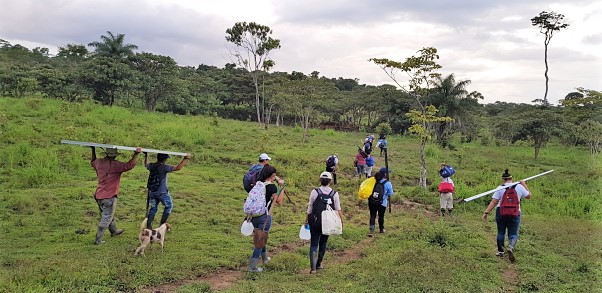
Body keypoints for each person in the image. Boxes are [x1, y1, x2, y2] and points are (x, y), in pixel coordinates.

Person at [90, 146, 141, 245]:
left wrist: (93, 149)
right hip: (109, 196)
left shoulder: (99, 162)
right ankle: (98, 240)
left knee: (108, 214)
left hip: (99, 195)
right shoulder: (116, 165)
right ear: (114, 156)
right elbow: (130, 165)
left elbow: (93, 161)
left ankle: (113, 231)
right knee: (107, 217)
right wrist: (136, 154)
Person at [482, 169, 531, 262]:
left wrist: (486, 212)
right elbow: (529, 196)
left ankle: (500, 251)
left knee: (501, 232)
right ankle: (511, 247)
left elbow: (494, 201)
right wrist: (524, 184)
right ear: (511, 179)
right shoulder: (519, 187)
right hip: (515, 213)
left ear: (503, 179)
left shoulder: (500, 187)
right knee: (513, 233)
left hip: (501, 212)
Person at [248, 164, 285, 272]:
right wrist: (282, 187)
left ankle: (265, 259)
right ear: (272, 175)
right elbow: (279, 201)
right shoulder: (272, 187)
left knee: (261, 237)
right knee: (260, 241)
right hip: (264, 217)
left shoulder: (258, 184)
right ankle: (253, 267)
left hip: (254, 216)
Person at [305, 171, 343, 274]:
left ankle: (313, 268)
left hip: (315, 221)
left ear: (320, 180)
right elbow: (338, 209)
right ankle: (319, 264)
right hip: (328, 223)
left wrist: (306, 220)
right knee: (323, 242)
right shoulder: (334, 194)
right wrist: (341, 221)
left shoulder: (315, 192)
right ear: (330, 181)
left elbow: (310, 207)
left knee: (314, 243)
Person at [144, 152, 190, 229]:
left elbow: (146, 164)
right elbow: (178, 168)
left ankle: (149, 227)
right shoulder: (164, 167)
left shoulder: (152, 166)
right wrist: (186, 159)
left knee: (153, 209)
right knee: (169, 206)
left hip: (152, 192)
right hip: (162, 192)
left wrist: (146, 155)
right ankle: (162, 225)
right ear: (164, 159)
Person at [368, 168, 394, 237]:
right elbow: (391, 193)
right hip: (382, 203)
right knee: (381, 216)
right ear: (385, 174)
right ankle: (381, 229)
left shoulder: (373, 181)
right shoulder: (388, 183)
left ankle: (371, 231)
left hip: (372, 201)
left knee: (372, 215)